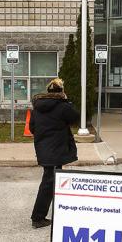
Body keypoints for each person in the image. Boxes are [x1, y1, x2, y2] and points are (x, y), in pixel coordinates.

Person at [29, 78, 79, 228]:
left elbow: (32, 128)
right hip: (56, 148)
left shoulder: (37, 107)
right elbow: (76, 118)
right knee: (48, 182)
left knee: (52, 180)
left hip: (44, 148)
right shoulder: (63, 106)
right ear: (61, 91)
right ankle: (38, 218)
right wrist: (67, 101)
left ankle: (57, 210)